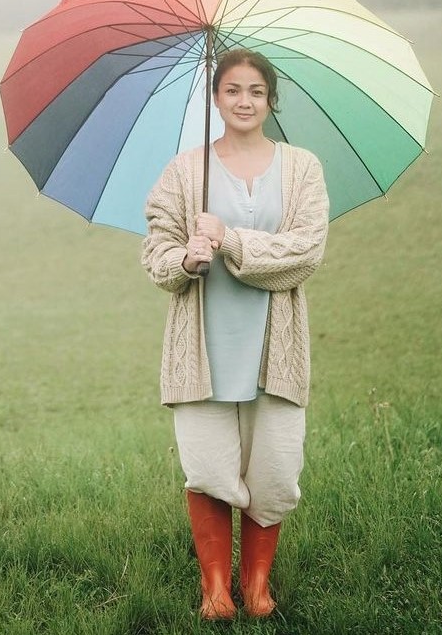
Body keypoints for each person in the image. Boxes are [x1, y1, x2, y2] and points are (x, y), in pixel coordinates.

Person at [140, 48, 329, 620]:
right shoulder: (184, 172)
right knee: (207, 466)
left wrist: (230, 240)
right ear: (216, 98)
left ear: (271, 100)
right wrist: (186, 260)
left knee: (274, 468)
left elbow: (306, 251)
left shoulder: (302, 168)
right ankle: (216, 589)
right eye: (232, 90)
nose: (244, 101)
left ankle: (257, 585)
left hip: (275, 345)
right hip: (204, 347)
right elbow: (156, 253)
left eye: (256, 91)